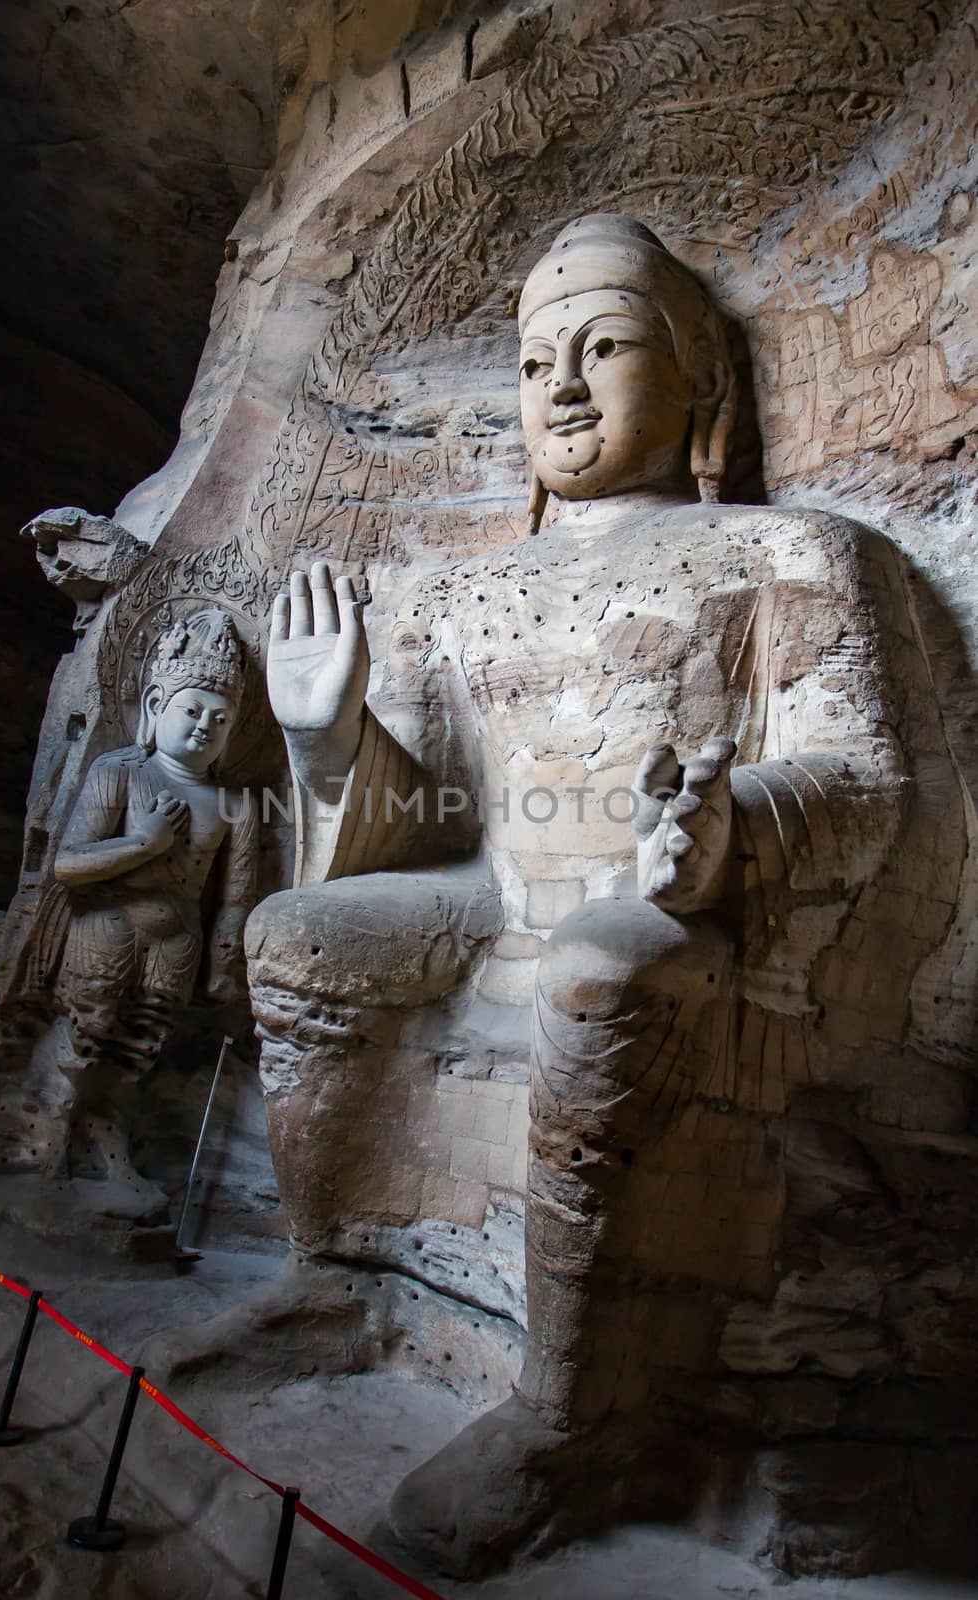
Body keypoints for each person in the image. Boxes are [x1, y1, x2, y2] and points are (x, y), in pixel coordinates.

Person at [245, 216, 965, 1571]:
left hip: (679, 916)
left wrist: (725, 831)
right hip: (484, 902)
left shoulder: (792, 552)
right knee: (293, 936)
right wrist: (323, 739)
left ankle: (566, 1411)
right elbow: (424, 824)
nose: (561, 387)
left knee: (596, 970)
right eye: (533, 363)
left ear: (699, 387)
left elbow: (867, 777)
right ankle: (328, 1277)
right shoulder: (460, 594)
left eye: (605, 347)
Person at [53, 607, 258, 1175]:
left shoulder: (235, 805)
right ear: (153, 707)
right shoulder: (119, 771)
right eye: (191, 710)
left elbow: (236, 896)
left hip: (179, 941)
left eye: (221, 719)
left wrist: (222, 962)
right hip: (107, 926)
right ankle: (53, 1133)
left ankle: (108, 1141)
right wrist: (144, 844)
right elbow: (68, 864)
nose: (204, 727)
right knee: (86, 1034)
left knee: (139, 1046)